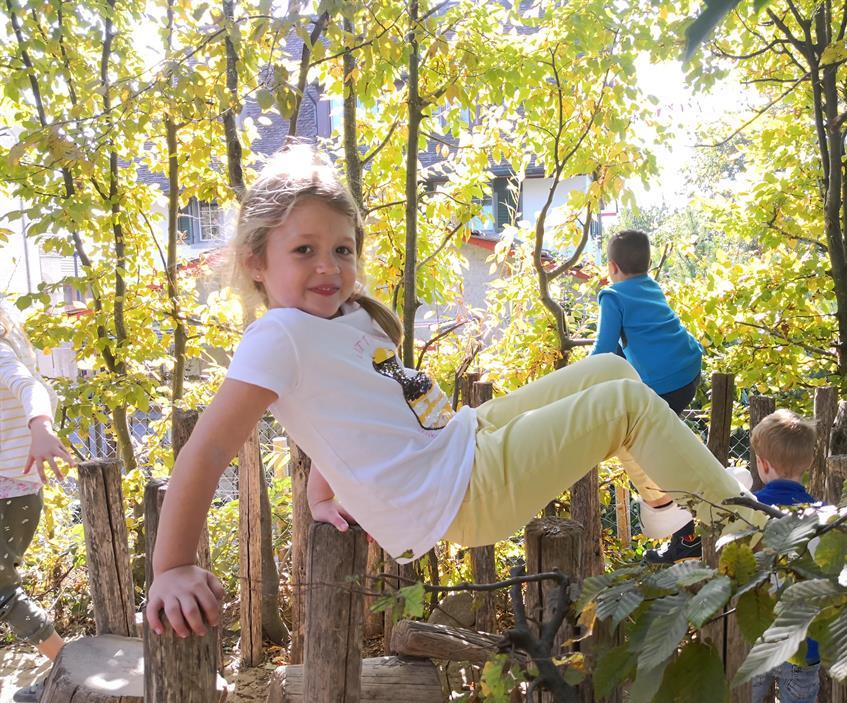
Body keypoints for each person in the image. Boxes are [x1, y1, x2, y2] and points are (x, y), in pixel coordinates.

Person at [145, 146, 762, 638]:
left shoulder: (342, 320)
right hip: (460, 490)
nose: (328, 266)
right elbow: (205, 452)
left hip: (462, 439)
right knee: (624, 407)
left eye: (342, 249)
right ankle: (751, 533)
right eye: (303, 251)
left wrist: (323, 486)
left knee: (615, 375)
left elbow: (353, 411)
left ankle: (675, 511)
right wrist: (171, 566)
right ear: (256, 261)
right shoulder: (276, 336)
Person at [588, 229, 706, 565]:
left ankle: (685, 535)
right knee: (666, 446)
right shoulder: (651, 288)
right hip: (689, 369)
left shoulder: (612, 296)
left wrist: (576, 380)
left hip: (665, 385)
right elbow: (639, 342)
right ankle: (688, 528)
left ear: (612, 267)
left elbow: (603, 351)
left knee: (653, 454)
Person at [0, 301, 74, 703]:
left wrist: (40, 428)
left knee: (2, 591)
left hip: (12, 495)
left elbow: (30, 388)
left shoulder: (0, 354)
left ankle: (66, 669)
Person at [747, 409, 821, 703]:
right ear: (807, 464)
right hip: (804, 640)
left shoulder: (751, 510)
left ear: (762, 464)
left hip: (756, 634)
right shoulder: (823, 515)